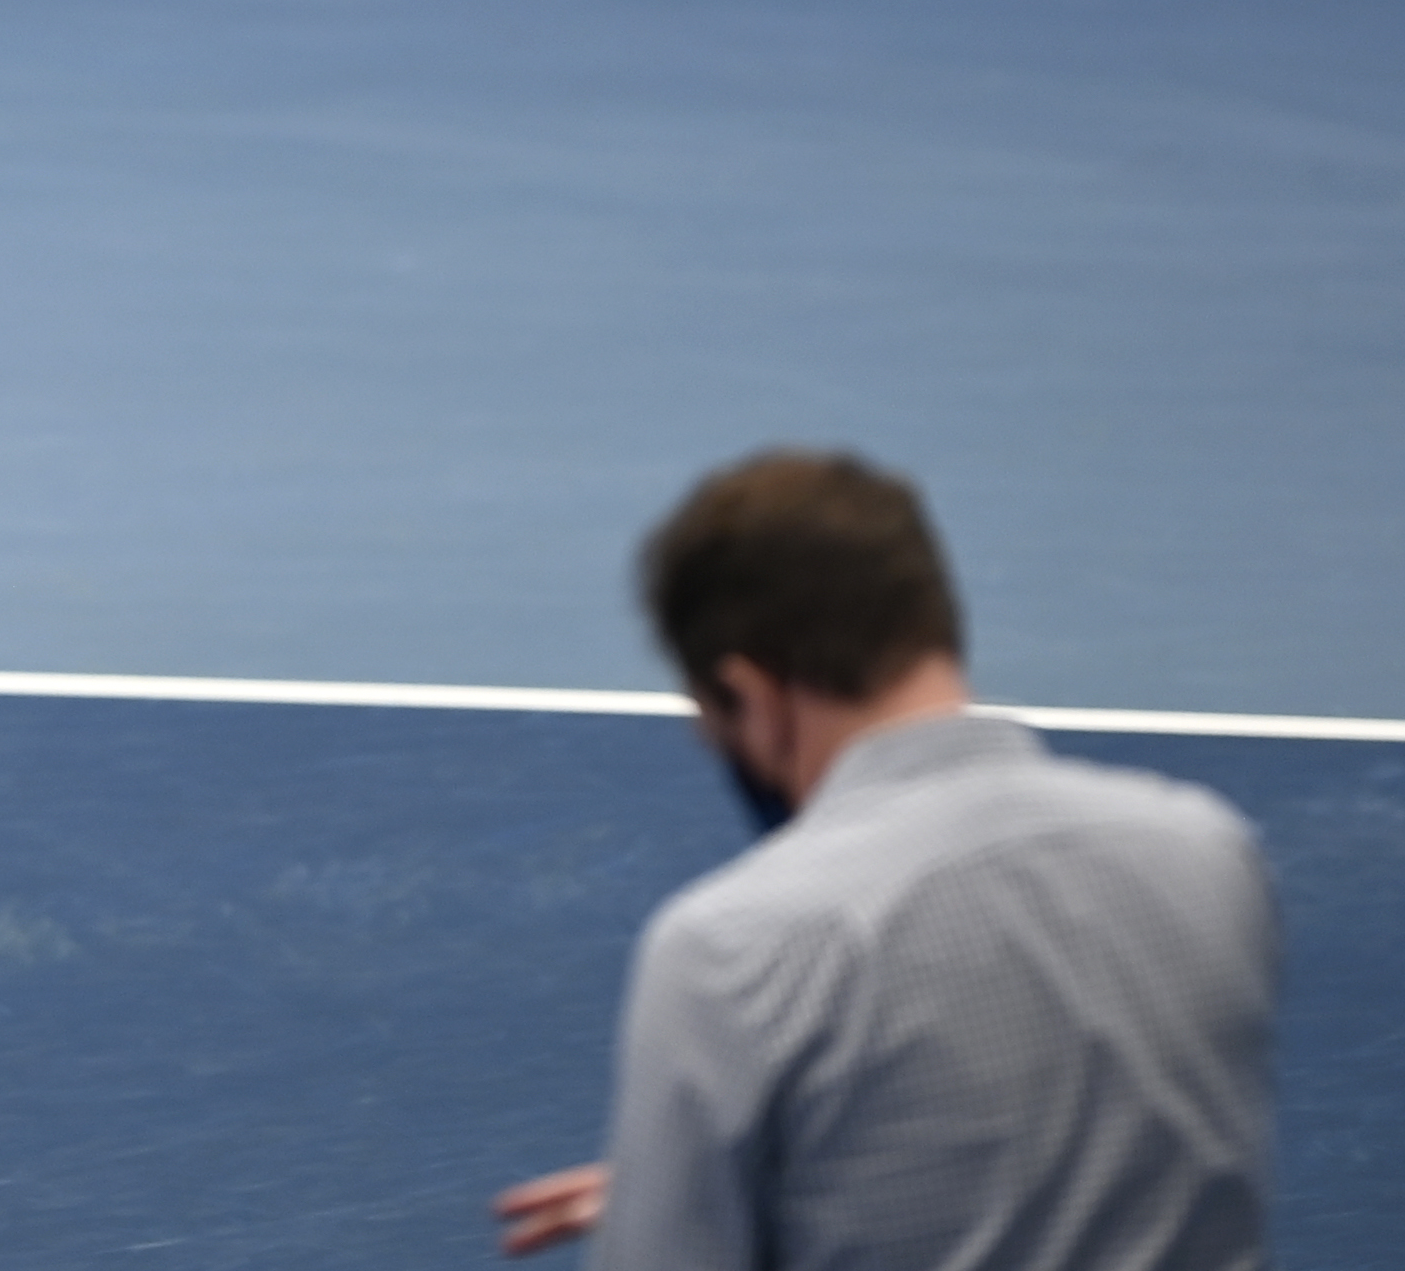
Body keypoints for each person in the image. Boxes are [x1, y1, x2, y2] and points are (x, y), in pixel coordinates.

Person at [496, 449, 1276, 1271]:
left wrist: (685, 1208)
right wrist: (759, 1178)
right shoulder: (1211, 857)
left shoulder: (735, 948)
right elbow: (1081, 1131)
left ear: (753, 698)